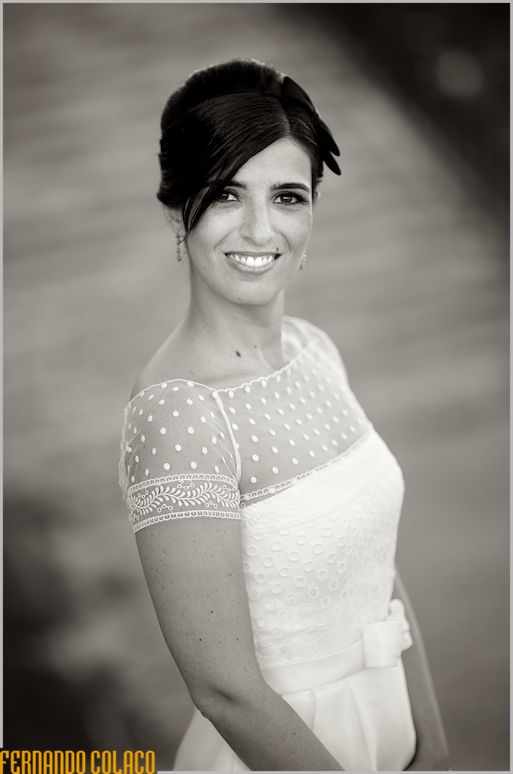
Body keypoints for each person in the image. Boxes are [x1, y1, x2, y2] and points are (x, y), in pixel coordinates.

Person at [118, 58, 449, 771]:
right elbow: (224, 688)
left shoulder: (313, 350)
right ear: (178, 209)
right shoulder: (178, 414)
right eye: (228, 194)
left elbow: (375, 567)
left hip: (391, 731)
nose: (260, 230)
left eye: (288, 197)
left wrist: (430, 741)